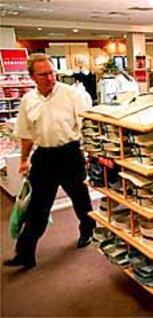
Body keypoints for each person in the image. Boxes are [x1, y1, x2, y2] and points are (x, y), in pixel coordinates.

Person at [3, 53, 96, 269]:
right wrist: (24, 160)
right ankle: (25, 253)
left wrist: (92, 153)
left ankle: (87, 230)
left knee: (80, 199)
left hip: (70, 154)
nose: (50, 78)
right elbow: (26, 134)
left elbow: (88, 126)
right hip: (44, 156)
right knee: (37, 206)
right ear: (32, 77)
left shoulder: (72, 95)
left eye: (52, 72)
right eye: (43, 74)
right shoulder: (28, 100)